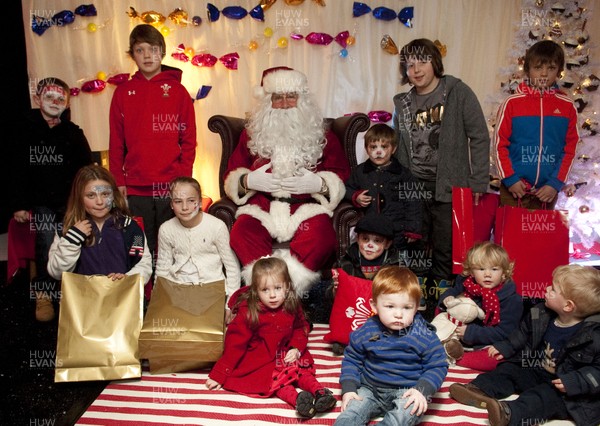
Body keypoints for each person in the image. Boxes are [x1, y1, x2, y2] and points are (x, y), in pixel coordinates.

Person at [223, 66, 350, 295]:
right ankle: (267, 287)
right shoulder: (250, 134)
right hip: (262, 206)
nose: (284, 103)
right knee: (242, 232)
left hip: (305, 207)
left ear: (301, 99)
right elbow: (232, 173)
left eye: (291, 96)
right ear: (267, 101)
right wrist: (248, 181)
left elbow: (341, 173)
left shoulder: (322, 135)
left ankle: (284, 290)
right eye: (277, 97)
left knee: (321, 236)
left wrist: (319, 184)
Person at [392, 38, 490, 291]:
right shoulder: (403, 103)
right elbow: (399, 145)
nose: (416, 70)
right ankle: (418, 292)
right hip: (414, 186)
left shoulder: (457, 91)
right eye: (409, 65)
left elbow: (478, 135)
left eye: (422, 62)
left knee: (446, 244)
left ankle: (443, 295)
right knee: (415, 241)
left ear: (435, 62)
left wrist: (478, 179)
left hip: (448, 184)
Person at [449, 265, 600, 426]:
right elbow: (521, 333)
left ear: (568, 306)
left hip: (564, 389)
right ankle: (478, 389)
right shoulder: (540, 313)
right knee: (509, 369)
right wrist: (507, 346)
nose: (547, 288)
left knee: (542, 398)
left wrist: (574, 382)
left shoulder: (593, 335)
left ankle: (508, 413)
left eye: (553, 290)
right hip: (536, 370)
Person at [205, 257, 337, 419]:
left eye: (278, 288)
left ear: (287, 286)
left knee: (300, 371)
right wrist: (220, 373)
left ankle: (321, 392)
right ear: (255, 291)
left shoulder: (291, 303)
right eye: (265, 290)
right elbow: (234, 345)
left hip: (285, 351)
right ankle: (298, 401)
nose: (273, 295)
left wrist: (296, 347)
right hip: (260, 358)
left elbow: (300, 327)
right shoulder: (249, 312)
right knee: (275, 382)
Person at [109, 24, 197, 260]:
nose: (147, 55)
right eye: (140, 50)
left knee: (171, 245)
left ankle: (171, 292)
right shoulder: (123, 93)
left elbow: (189, 140)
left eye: (153, 49)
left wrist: (183, 178)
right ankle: (144, 295)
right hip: (137, 186)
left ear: (162, 52)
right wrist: (118, 179)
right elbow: (116, 141)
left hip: (170, 185)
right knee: (139, 245)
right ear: (132, 54)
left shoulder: (178, 92)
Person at [10, 77, 93, 321]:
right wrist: (19, 204)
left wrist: (89, 198)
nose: (55, 102)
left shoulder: (74, 133)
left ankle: (72, 291)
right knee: (46, 239)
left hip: (69, 202)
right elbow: (14, 170)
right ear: (38, 99)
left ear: (67, 104)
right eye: (49, 97)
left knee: (74, 239)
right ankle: (44, 293)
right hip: (40, 201)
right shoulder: (23, 131)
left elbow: (87, 169)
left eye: (60, 99)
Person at [335, 266, 448, 425]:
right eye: (390, 306)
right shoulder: (367, 330)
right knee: (351, 412)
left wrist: (422, 391)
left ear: (416, 307)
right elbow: (352, 359)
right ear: (374, 306)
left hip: (407, 391)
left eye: (407, 307)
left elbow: (438, 365)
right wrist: (349, 389)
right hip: (370, 389)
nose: (398, 314)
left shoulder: (423, 335)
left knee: (403, 415)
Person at [493, 40, 578, 210]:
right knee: (511, 236)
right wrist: (510, 179)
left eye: (551, 68)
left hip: (547, 192)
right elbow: (498, 145)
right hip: (515, 189)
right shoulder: (511, 104)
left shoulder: (567, 106)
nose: (544, 74)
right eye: (538, 68)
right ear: (527, 70)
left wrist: (555, 183)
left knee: (540, 236)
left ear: (559, 71)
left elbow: (570, 149)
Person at [47, 165, 152, 285]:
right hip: (83, 300)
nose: (100, 202)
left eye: (105, 194)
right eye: (91, 195)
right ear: (79, 198)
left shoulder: (131, 228)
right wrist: (73, 239)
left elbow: (144, 265)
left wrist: (126, 279)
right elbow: (56, 273)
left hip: (122, 299)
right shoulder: (67, 228)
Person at [155, 177, 240, 311]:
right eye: (178, 201)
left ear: (200, 202)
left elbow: (232, 267)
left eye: (191, 201)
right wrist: (158, 302)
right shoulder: (166, 229)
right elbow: (162, 268)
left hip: (212, 290)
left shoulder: (216, 226)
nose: (184, 207)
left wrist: (230, 305)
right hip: (178, 290)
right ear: (171, 204)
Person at [437, 241, 522, 370]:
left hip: (484, 341)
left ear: (504, 273)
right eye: (481, 269)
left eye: (494, 269)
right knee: (440, 310)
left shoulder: (512, 300)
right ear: (471, 272)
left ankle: (457, 358)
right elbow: (452, 291)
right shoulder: (468, 283)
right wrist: (447, 298)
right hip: (456, 332)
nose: (487, 274)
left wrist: (471, 333)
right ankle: (443, 344)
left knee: (495, 359)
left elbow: (504, 332)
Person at [328, 213, 404, 355]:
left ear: (387, 244)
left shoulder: (395, 265)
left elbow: (402, 294)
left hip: (381, 314)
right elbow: (330, 297)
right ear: (357, 239)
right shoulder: (346, 262)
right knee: (342, 339)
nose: (370, 245)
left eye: (377, 241)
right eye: (365, 239)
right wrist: (335, 289)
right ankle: (348, 340)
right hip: (353, 314)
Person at [344, 123, 422, 250]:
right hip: (370, 230)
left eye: (384, 147)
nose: (378, 152)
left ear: (393, 149)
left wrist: (412, 230)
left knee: (395, 261)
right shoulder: (360, 171)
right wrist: (355, 196)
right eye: (373, 147)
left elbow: (413, 203)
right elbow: (345, 189)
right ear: (366, 149)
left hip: (397, 231)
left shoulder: (403, 174)